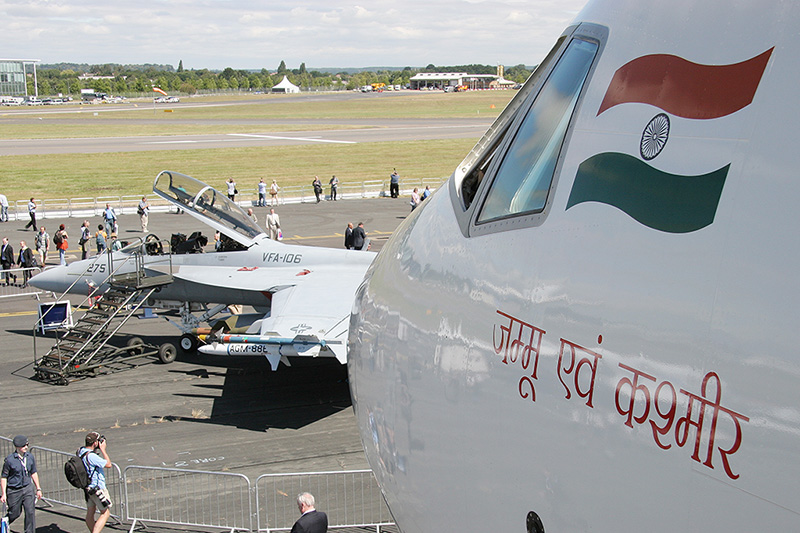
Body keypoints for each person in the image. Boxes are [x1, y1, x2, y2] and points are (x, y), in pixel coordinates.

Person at [1, 435, 43, 533]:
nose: (26, 447)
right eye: (23, 446)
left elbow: (33, 472)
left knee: (30, 512)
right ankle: (6, 520)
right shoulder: (10, 460)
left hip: (27, 488)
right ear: (17, 447)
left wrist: (38, 488)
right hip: (14, 490)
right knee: (15, 513)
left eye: (27, 445)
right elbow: (4, 477)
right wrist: (3, 493)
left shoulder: (30, 457)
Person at [79, 432, 113, 533]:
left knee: (91, 511)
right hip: (97, 488)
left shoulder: (81, 451)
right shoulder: (91, 456)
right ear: (95, 443)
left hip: (88, 488)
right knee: (105, 513)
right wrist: (103, 450)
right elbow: (108, 464)